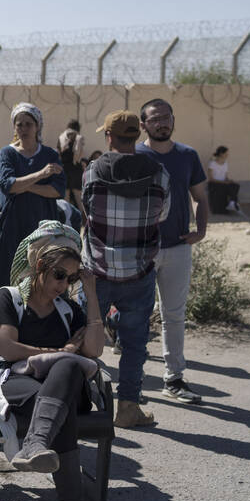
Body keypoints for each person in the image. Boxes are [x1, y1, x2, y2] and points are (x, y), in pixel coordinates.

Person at [0, 220, 104, 501]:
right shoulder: (8, 298)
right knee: (61, 396)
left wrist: (90, 293)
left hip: (62, 385)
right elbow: (7, 346)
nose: (64, 284)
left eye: (72, 278)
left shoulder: (69, 307)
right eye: (59, 275)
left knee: (66, 367)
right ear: (39, 265)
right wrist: (57, 351)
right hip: (17, 384)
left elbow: (93, 349)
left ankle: (35, 444)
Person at [83, 110, 170, 429]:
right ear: (137, 135)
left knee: (84, 338)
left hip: (97, 274)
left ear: (109, 137)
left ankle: (77, 402)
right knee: (135, 343)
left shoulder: (93, 171)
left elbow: (88, 211)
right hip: (139, 273)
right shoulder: (159, 173)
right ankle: (128, 408)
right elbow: (163, 213)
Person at [137, 99, 209, 405]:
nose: (162, 123)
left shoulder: (187, 155)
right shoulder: (135, 155)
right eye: (155, 119)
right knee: (136, 315)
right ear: (143, 125)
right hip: (142, 249)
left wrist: (201, 230)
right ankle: (133, 380)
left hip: (179, 246)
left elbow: (201, 197)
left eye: (166, 117)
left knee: (174, 315)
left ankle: (174, 378)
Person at [0, 103, 66, 310]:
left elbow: (57, 190)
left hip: (40, 226)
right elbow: (7, 185)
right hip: (9, 225)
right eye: (19, 124)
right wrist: (41, 176)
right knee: (3, 271)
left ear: (37, 127)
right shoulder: (7, 154)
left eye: (28, 124)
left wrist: (23, 185)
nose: (23, 128)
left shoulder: (50, 155)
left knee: (39, 273)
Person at [58, 119, 85, 218]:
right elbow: (79, 154)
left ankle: (67, 218)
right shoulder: (79, 137)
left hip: (64, 168)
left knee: (66, 197)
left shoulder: (61, 137)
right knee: (79, 196)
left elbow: (59, 153)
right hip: (76, 169)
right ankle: (84, 220)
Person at [207, 145, 241, 213]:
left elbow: (225, 177)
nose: (227, 155)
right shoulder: (212, 163)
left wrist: (229, 180)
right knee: (225, 187)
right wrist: (224, 182)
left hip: (223, 183)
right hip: (214, 183)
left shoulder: (225, 164)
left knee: (235, 185)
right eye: (226, 153)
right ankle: (233, 203)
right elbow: (211, 179)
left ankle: (232, 203)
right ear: (221, 153)